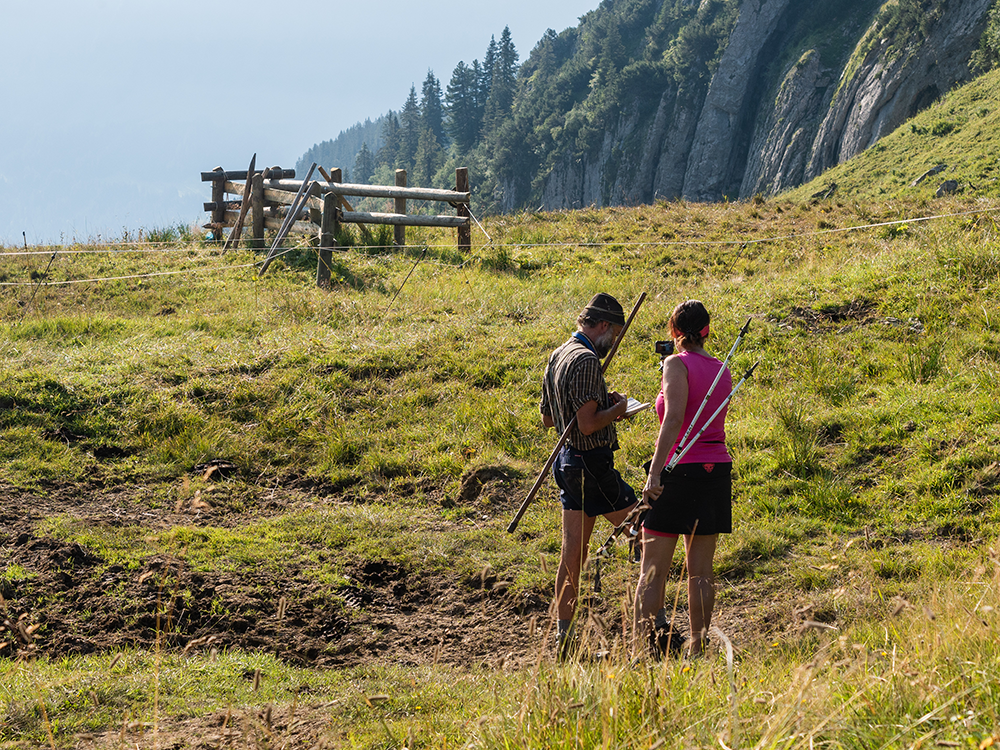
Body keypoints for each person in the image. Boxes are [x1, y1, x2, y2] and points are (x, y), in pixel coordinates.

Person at [632, 300, 732, 659]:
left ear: (675, 332)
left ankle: (640, 650)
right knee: (701, 572)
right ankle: (698, 647)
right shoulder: (722, 369)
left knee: (653, 570)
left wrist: (654, 473)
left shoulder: (675, 364)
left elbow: (673, 420)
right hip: (715, 470)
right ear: (707, 330)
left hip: (679, 469)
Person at [540, 293, 639, 655]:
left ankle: (563, 642)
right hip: (591, 463)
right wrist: (618, 409)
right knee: (646, 529)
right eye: (612, 333)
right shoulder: (584, 361)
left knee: (572, 557)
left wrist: (601, 402)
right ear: (602, 326)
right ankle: (653, 628)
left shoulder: (558, 355)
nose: (612, 341)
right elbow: (587, 423)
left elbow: (549, 419)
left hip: (566, 462)